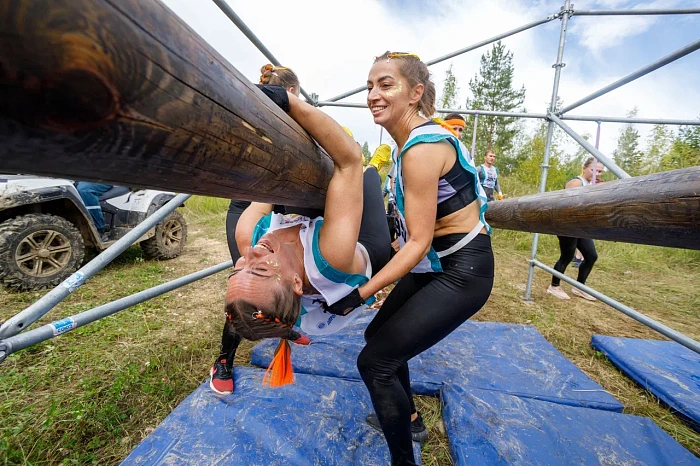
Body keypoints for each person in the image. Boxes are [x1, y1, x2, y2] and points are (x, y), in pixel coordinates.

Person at [324, 51, 494, 466]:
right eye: (369, 86)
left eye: (385, 85)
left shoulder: (422, 148)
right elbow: (413, 240)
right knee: (376, 343)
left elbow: (417, 242)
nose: (372, 95)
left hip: (462, 271)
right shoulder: (406, 148)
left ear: (416, 93)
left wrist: (363, 292)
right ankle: (412, 419)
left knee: (375, 363)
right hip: (436, 266)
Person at [223, 85, 392, 389]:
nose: (251, 254)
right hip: (366, 250)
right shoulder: (332, 256)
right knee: (364, 175)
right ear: (297, 283)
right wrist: (291, 102)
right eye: (259, 269)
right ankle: (377, 167)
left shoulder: (248, 238)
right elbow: (348, 159)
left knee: (305, 182)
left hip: (304, 245)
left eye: (239, 267)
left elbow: (271, 179)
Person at [213, 64, 310, 395]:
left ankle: (282, 325)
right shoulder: (256, 122)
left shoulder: (300, 127)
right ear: (292, 93)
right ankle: (224, 359)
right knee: (247, 293)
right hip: (251, 208)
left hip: (277, 203)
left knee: (281, 279)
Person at [547, 156, 604, 301]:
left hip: (581, 227)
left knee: (591, 256)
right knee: (566, 256)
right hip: (567, 225)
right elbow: (566, 204)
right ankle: (554, 286)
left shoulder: (595, 184)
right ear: (584, 168)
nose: (597, 174)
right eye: (594, 170)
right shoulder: (577, 182)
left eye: (600, 172)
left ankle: (579, 287)